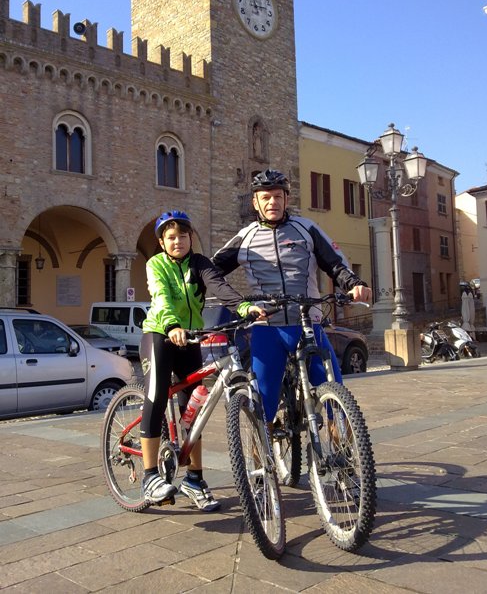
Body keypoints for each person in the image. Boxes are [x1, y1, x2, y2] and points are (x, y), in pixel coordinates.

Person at [212, 169, 372, 424]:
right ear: (255, 202)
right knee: (263, 405)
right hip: (267, 327)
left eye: (277, 196)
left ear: (287, 199)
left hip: (308, 325)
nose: (272, 202)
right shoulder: (246, 237)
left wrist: (354, 283)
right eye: (265, 197)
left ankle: (344, 447)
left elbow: (334, 264)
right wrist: (237, 302)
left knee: (334, 391)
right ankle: (263, 456)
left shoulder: (305, 228)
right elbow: (211, 272)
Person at [140, 210, 264, 510]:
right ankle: (149, 476)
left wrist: (244, 307)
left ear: (190, 238)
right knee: (156, 395)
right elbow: (161, 297)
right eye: (171, 237)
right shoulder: (155, 264)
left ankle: (194, 479)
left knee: (194, 409)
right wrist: (171, 326)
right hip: (160, 334)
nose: (178, 241)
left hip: (190, 338)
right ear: (161, 241)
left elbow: (219, 285)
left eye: (183, 236)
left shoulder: (199, 264)